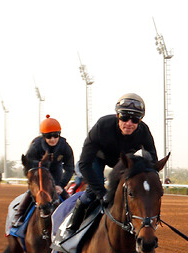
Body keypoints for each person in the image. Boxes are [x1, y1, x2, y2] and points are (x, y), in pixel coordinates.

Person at [65, 93, 158, 234]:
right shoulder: (102, 126)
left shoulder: (144, 131)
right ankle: (71, 229)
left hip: (123, 161)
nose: (129, 123)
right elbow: (84, 164)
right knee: (91, 193)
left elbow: (153, 163)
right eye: (124, 118)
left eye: (135, 119)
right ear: (117, 116)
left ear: (140, 121)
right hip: (98, 159)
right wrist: (101, 193)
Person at [11, 115, 75, 227]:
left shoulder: (65, 147)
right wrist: (35, 183)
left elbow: (69, 168)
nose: (53, 139)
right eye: (49, 136)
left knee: (64, 194)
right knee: (33, 191)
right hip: (38, 173)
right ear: (43, 136)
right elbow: (28, 167)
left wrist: (61, 185)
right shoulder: (35, 147)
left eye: (56, 136)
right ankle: (18, 215)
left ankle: (73, 217)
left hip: (55, 173)